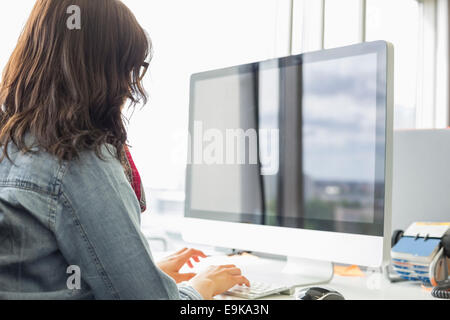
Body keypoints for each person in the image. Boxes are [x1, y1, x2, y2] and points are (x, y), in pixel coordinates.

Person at [0, 0, 249, 300]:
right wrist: (202, 285)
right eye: (130, 68)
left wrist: (144, 273)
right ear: (103, 70)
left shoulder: (12, 143)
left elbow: (40, 274)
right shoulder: (75, 158)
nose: (130, 88)